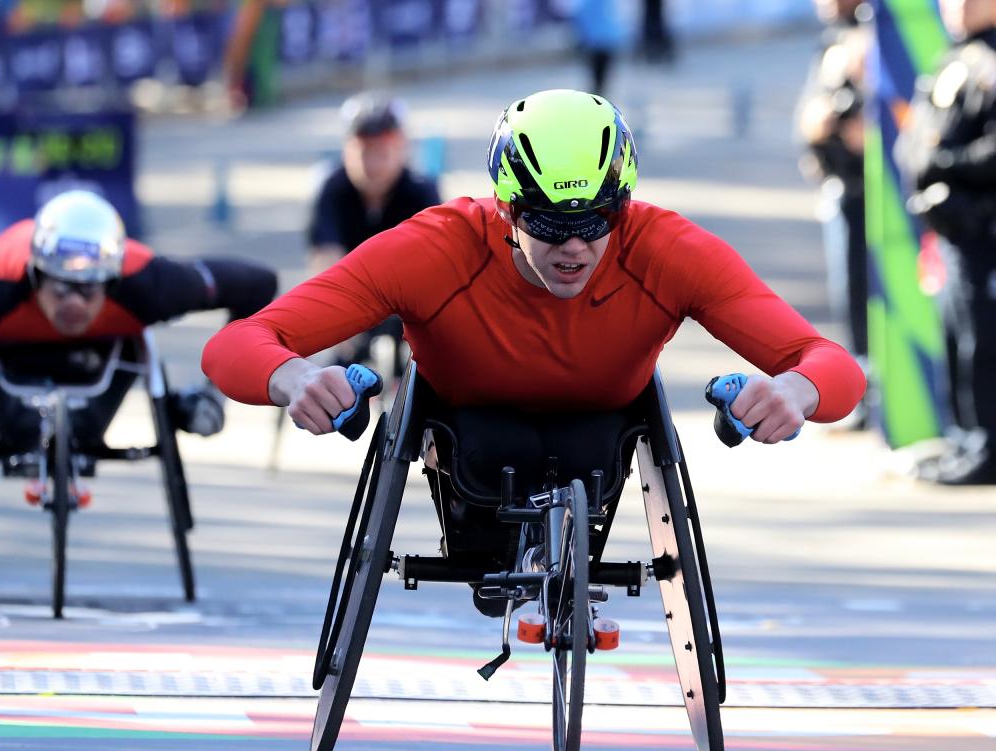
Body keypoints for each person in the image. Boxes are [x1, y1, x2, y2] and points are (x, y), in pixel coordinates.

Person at [202, 89, 866, 612]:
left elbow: (827, 362)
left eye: (597, 221)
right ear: (507, 208)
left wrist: (793, 392)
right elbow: (238, 343)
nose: (575, 247)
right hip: (468, 436)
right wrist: (294, 378)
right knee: (488, 447)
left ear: (624, 205)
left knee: (585, 441)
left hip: (601, 431)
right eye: (549, 223)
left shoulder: (666, 250)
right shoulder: (435, 248)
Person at [0, 189, 278, 459]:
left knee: (90, 427)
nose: (73, 301)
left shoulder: (151, 285)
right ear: (35, 275)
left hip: (108, 350)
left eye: (88, 288)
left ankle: (82, 436)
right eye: (60, 286)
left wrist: (216, 394)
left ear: (112, 279)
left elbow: (260, 283)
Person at [898, 0, 996, 485]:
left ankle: (986, 447)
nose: (958, 7)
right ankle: (963, 438)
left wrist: (944, 165)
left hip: (984, 231)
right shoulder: (956, 56)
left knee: (983, 341)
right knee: (958, 335)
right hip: (951, 232)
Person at [308, 92, 440, 375]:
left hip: (408, 302)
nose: (373, 164)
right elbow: (325, 254)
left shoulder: (421, 190)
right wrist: (338, 318)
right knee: (330, 383)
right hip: (352, 301)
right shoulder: (333, 188)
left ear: (402, 149)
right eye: (363, 151)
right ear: (347, 150)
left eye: (382, 152)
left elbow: (436, 262)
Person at [796, 0, 870, 421]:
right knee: (850, 293)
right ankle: (861, 378)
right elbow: (812, 109)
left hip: (869, 193)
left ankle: (872, 387)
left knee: (866, 292)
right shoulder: (834, 37)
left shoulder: (873, 35)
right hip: (840, 186)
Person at [573, 0, 625, 94]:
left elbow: (579, 16)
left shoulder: (583, 3)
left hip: (594, 41)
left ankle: (597, 94)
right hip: (607, 39)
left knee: (597, 75)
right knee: (601, 75)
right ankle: (599, 94)